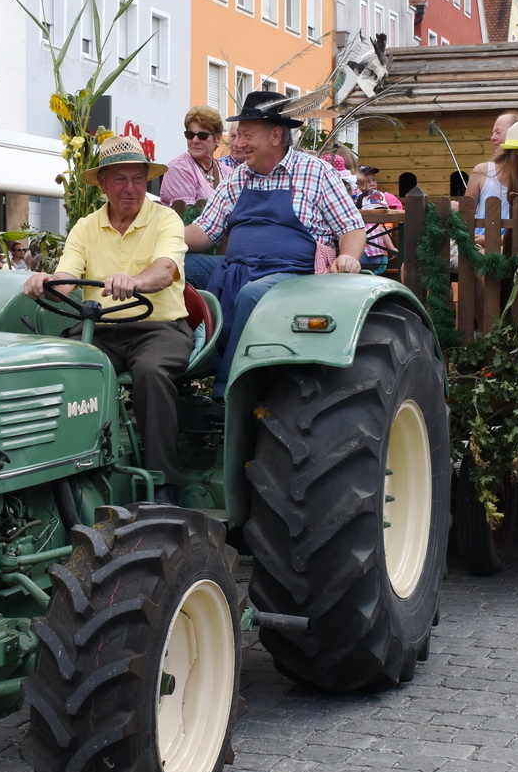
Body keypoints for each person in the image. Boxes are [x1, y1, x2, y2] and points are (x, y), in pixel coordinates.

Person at [24, 135, 191, 504]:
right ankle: (55, 468)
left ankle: (164, 483)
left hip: (159, 329)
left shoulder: (166, 219)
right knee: (56, 364)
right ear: (103, 184)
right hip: (99, 330)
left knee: (151, 371)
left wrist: (136, 282)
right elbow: (66, 279)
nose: (130, 188)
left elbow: (165, 270)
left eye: (137, 179)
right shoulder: (85, 226)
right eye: (119, 179)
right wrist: (44, 283)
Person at [183, 91, 367, 386]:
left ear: (276, 136)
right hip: (236, 270)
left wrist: (348, 257)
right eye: (238, 134)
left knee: (253, 294)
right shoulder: (238, 177)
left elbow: (352, 227)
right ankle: (183, 362)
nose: (238, 143)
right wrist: (161, 239)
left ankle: (228, 387)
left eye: (247, 135)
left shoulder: (314, 172)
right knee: (179, 266)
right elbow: (205, 231)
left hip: (295, 278)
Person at [464, 118, 518, 249]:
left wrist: (494, 241)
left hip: (513, 251)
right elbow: (465, 216)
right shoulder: (483, 172)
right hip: (476, 250)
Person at [161, 106, 228, 206]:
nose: (195, 140)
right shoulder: (178, 169)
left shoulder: (228, 173)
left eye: (202, 135)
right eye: (190, 135)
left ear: (218, 138)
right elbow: (186, 218)